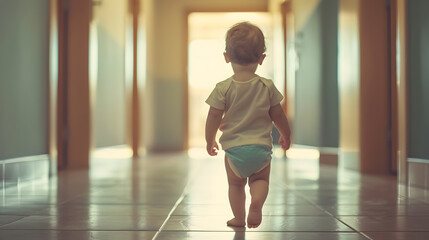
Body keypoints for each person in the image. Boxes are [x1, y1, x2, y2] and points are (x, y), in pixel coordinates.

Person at [205, 22, 291, 228]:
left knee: (235, 185)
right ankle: (257, 201)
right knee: (260, 181)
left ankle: (239, 217)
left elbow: (214, 115)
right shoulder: (266, 86)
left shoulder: (223, 88)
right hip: (260, 148)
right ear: (261, 59)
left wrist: (210, 140)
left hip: (235, 150)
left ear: (227, 57)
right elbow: (278, 114)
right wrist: (286, 134)